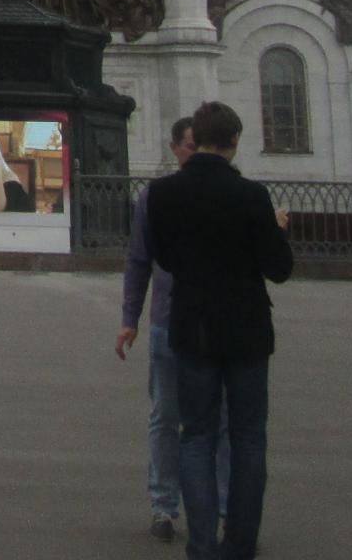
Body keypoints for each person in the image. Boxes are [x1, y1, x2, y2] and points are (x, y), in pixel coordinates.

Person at [148, 101, 293, 560]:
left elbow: (166, 259)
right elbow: (279, 268)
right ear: (233, 141)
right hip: (246, 332)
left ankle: (201, 543)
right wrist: (277, 232)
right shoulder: (251, 195)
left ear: (198, 139)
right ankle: (239, 544)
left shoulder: (163, 193)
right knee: (248, 437)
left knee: (196, 435)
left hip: (191, 329)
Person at [116, 117, 230, 544]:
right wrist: (130, 319)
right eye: (188, 145)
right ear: (176, 148)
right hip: (168, 320)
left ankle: (223, 509)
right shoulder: (157, 196)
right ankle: (163, 507)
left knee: (218, 419)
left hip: (217, 324)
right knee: (166, 415)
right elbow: (138, 258)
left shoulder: (231, 193)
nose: (195, 153)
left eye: (200, 145)